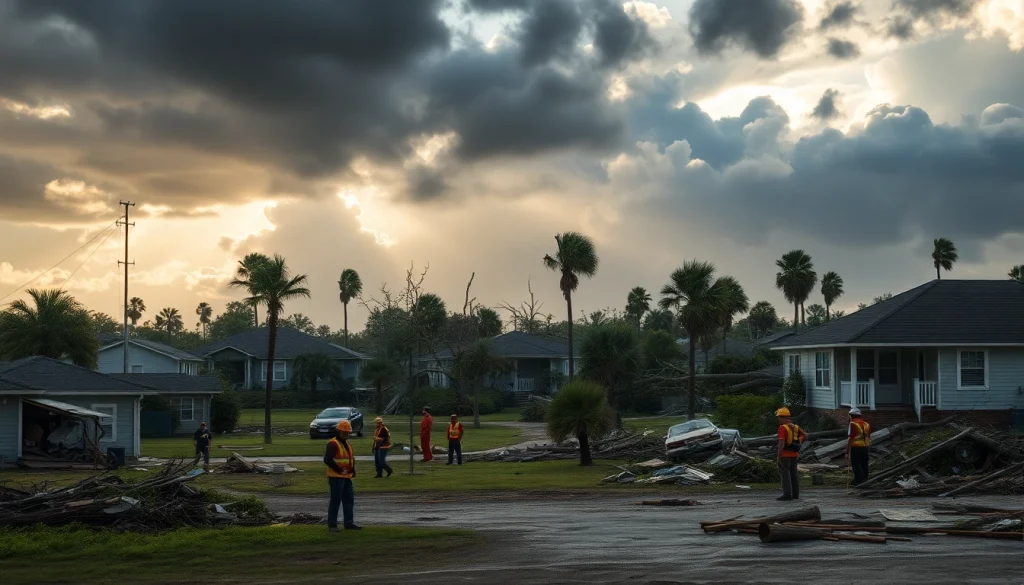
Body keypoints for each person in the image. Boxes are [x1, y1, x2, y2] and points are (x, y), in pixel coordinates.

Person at [324, 420, 360, 531]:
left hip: (347, 477)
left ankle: (348, 523)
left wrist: (352, 470)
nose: (346, 434)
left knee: (349, 501)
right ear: (339, 431)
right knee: (335, 501)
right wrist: (339, 469)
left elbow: (350, 458)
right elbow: (327, 459)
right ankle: (332, 525)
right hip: (336, 477)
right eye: (344, 432)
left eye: (348, 432)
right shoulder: (333, 443)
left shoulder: (347, 443)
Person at [775, 407, 806, 501]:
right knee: (793, 474)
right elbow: (805, 435)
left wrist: (778, 455)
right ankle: (795, 495)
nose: (778, 419)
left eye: (779, 417)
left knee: (785, 474)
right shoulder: (795, 427)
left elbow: (781, 443)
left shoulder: (782, 428)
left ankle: (787, 494)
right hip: (794, 454)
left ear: (782, 417)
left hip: (784, 455)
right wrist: (798, 442)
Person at [846, 408, 872, 485]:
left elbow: (850, 438)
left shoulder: (852, 424)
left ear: (851, 415)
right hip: (865, 447)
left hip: (855, 447)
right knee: (864, 464)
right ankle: (865, 479)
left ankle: (859, 481)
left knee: (856, 464)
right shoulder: (866, 424)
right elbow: (868, 436)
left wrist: (847, 451)